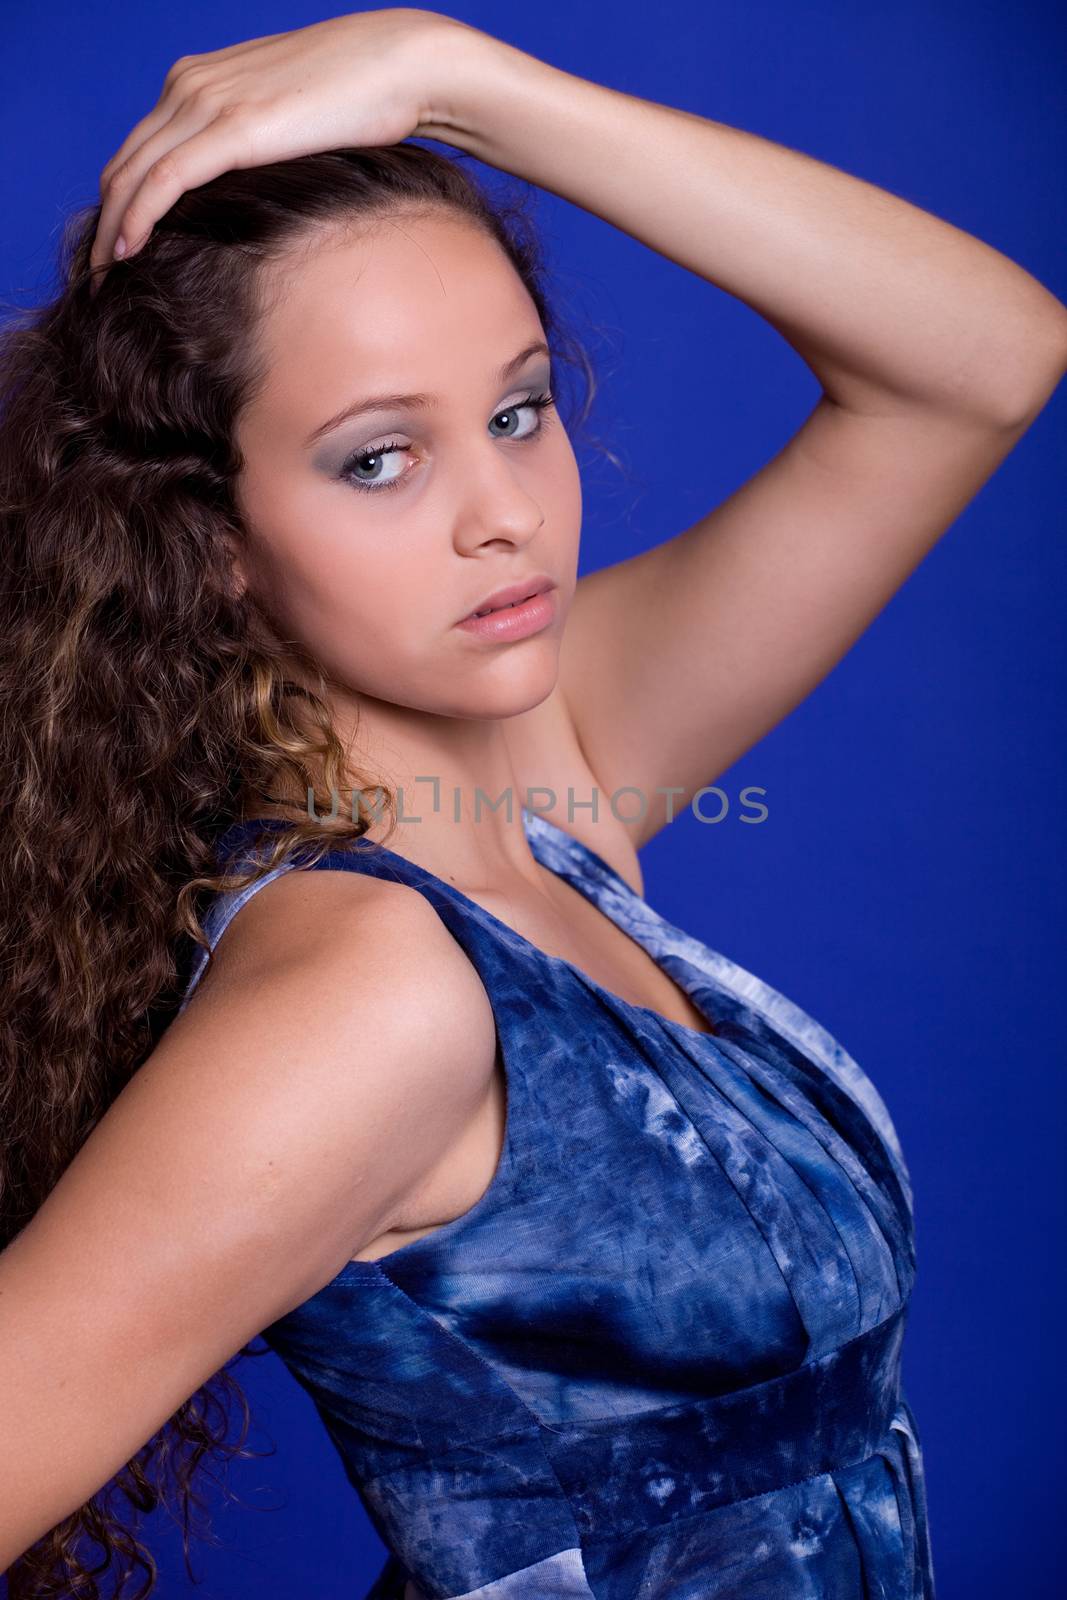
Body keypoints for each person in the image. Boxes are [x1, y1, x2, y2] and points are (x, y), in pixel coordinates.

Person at [2, 8, 1065, 1598]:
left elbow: (983, 364)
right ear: (212, 538)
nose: (504, 517)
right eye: (379, 461)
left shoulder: (551, 765)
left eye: (516, 411)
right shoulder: (368, 996)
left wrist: (470, 84)